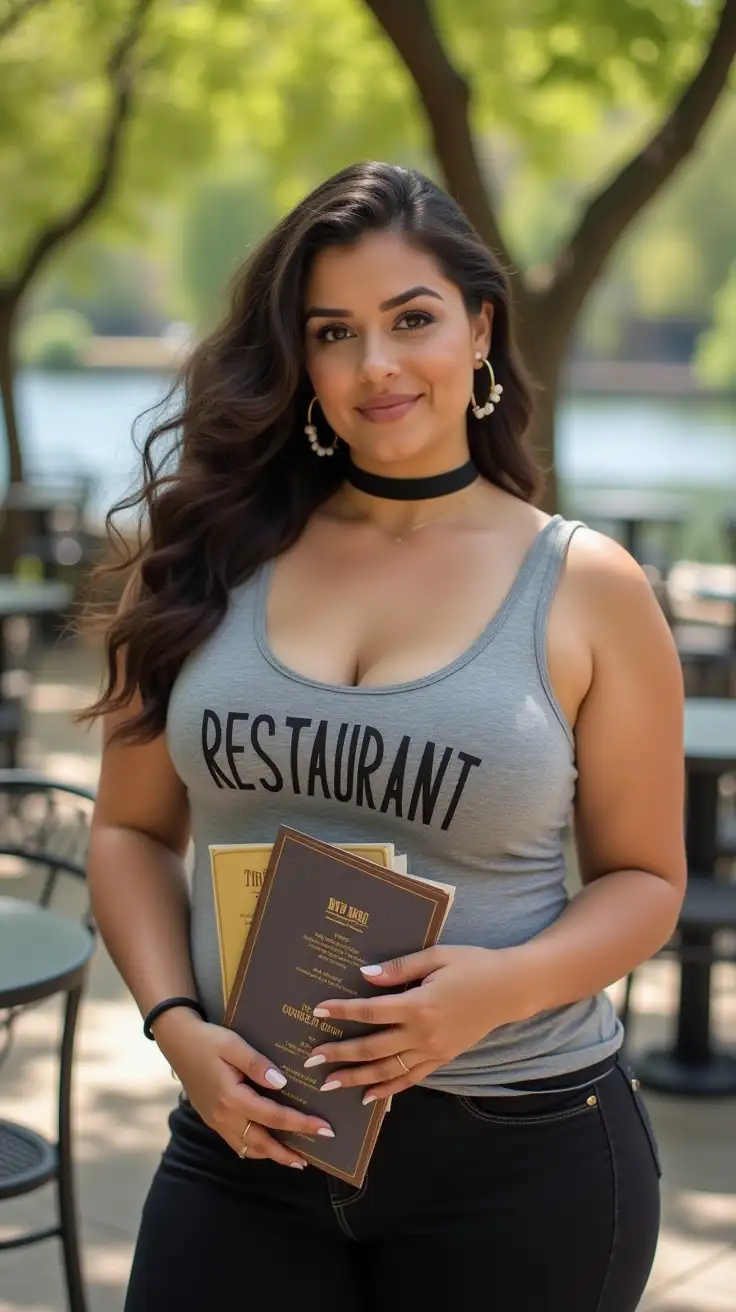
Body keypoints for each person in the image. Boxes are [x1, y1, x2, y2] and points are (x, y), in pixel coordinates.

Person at [83, 161, 686, 1311]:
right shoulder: (207, 558)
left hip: (519, 1151)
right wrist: (173, 1028)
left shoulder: (585, 586)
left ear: (478, 329)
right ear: (300, 359)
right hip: (244, 1139)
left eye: (411, 319)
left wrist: (493, 990)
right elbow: (126, 830)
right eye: (333, 332)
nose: (376, 366)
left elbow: (648, 880)